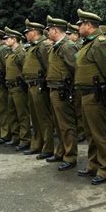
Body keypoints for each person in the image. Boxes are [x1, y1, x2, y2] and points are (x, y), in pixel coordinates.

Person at [75, 8, 106, 185]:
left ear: (89, 25)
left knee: (100, 134)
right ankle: (93, 164)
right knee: (91, 133)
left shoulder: (99, 43)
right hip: (86, 94)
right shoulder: (88, 43)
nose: (78, 28)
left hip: (96, 95)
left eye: (81, 24)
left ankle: (105, 169)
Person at [45, 15, 79, 171]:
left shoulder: (67, 46)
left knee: (66, 125)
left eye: (48, 30)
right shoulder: (56, 46)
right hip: (54, 89)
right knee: (59, 125)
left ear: (54, 30)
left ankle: (70, 156)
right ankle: (61, 151)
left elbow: (76, 69)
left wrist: (71, 90)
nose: (47, 33)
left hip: (62, 91)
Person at [21, 19, 55, 158]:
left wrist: (46, 85)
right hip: (31, 85)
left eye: (28, 32)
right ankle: (37, 144)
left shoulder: (43, 46)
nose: (26, 35)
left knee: (44, 118)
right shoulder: (34, 46)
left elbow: (48, 66)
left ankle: (47, 148)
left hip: (39, 85)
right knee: (35, 119)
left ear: (34, 32)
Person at [3, 27, 31, 150]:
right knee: (12, 113)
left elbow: (25, 69)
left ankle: (25, 139)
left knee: (22, 114)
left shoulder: (20, 53)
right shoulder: (10, 53)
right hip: (10, 87)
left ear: (14, 39)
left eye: (7, 38)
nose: (5, 41)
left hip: (19, 87)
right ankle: (16, 137)